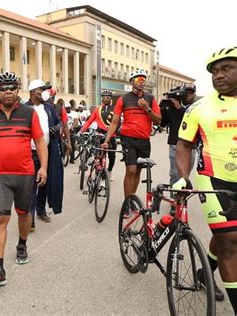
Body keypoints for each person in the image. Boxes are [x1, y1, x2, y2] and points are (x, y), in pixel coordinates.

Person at [175, 46, 237, 310]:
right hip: (213, 179)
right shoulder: (199, 108)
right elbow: (184, 145)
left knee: (229, 236)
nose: (218, 75)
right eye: (214, 71)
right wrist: (182, 177)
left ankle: (204, 272)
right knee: (230, 241)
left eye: (226, 69)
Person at [0, 72, 47, 288]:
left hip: (25, 174)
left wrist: (43, 167)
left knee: (23, 213)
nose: (8, 91)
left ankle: (22, 244)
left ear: (17, 90)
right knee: (0, 219)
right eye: (3, 88)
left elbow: (39, 141)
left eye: (11, 87)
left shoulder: (29, 113)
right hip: (0, 176)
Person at [101, 69, 161, 202]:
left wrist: (147, 109)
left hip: (144, 140)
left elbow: (158, 120)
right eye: (138, 79)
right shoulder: (124, 99)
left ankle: (131, 199)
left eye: (143, 79)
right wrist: (107, 140)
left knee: (138, 171)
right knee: (131, 170)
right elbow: (115, 122)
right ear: (132, 82)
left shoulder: (150, 98)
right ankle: (126, 202)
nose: (141, 82)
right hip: (128, 138)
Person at [24, 79, 63, 232]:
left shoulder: (49, 108)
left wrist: (57, 128)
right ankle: (30, 218)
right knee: (32, 186)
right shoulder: (24, 108)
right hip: (30, 152)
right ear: (34, 92)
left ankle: (41, 210)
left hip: (48, 151)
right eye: (42, 89)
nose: (46, 92)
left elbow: (59, 122)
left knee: (45, 183)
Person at [159, 83, 197, 185]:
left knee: (185, 175)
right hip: (174, 144)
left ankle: (182, 198)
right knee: (175, 174)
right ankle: (175, 199)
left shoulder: (196, 107)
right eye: (186, 92)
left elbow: (189, 118)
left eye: (191, 93)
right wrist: (162, 109)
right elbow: (163, 124)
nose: (188, 95)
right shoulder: (172, 107)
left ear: (194, 94)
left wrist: (179, 108)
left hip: (190, 146)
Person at [81, 89, 117, 180]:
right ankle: (98, 172)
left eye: (108, 98)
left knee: (112, 155)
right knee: (98, 155)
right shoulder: (97, 110)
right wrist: (81, 131)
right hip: (99, 135)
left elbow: (118, 122)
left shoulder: (115, 109)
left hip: (111, 136)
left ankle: (109, 171)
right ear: (102, 99)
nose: (106, 99)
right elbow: (89, 122)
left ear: (111, 99)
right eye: (104, 98)